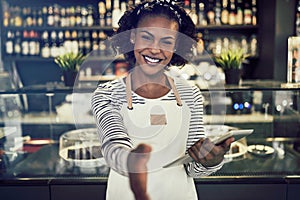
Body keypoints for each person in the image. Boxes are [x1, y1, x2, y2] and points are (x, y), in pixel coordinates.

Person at [91, 0, 234, 199]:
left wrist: (210, 161)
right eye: (146, 38)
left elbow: (193, 169)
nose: (155, 49)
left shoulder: (190, 95)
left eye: (166, 41)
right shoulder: (107, 95)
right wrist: (132, 161)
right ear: (132, 36)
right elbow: (114, 147)